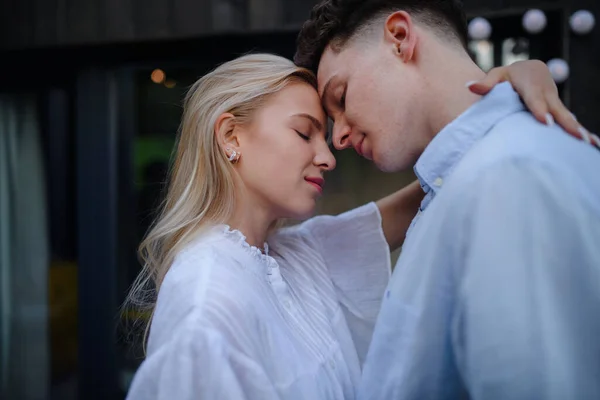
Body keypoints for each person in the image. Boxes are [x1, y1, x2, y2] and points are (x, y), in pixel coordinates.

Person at [124, 56, 584, 400]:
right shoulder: (207, 295)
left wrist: (507, 93)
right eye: (305, 133)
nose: (327, 156)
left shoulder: (295, 256)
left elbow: (437, 183)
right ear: (230, 136)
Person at [294, 1, 600, 399]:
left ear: (400, 38)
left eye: (342, 95)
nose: (338, 139)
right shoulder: (465, 180)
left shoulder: (505, 178)